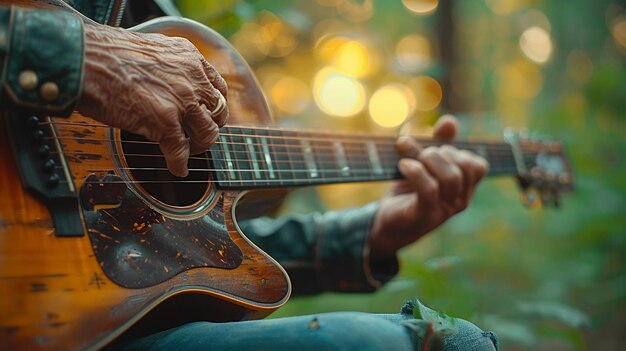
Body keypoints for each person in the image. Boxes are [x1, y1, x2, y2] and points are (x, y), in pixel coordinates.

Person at [0, 1, 498, 350]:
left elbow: (178, 247)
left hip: (96, 321)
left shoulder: (156, 12)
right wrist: (80, 56)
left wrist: (373, 231)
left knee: (457, 343)